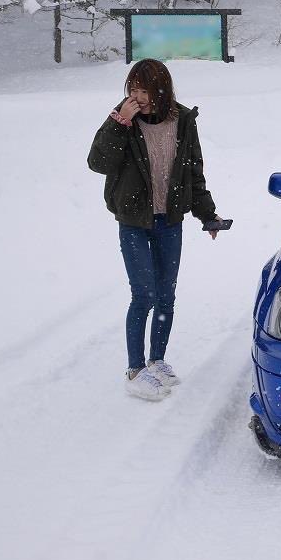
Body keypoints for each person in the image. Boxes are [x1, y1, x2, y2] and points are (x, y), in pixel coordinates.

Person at [88, 58, 223, 401]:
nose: (137, 96)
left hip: (170, 220)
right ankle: (135, 370)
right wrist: (120, 121)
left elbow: (194, 172)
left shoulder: (183, 121)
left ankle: (157, 360)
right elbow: (98, 163)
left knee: (166, 295)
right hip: (133, 221)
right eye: (132, 89)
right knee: (143, 295)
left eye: (143, 89)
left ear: (161, 89)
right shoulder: (124, 121)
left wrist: (207, 214)